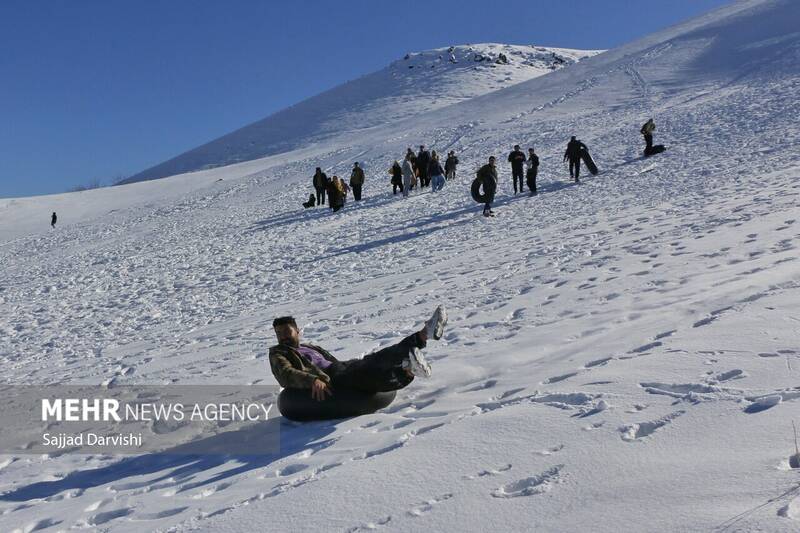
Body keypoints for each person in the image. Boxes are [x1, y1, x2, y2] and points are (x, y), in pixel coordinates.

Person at [269, 306, 448, 399]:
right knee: (368, 375)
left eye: (287, 332)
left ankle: (425, 334)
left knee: (378, 357)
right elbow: (286, 373)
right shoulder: (279, 354)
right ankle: (408, 370)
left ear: (297, 331)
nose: (282, 337)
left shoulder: (308, 347)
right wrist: (313, 380)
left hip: (340, 366)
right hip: (331, 377)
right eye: (279, 333)